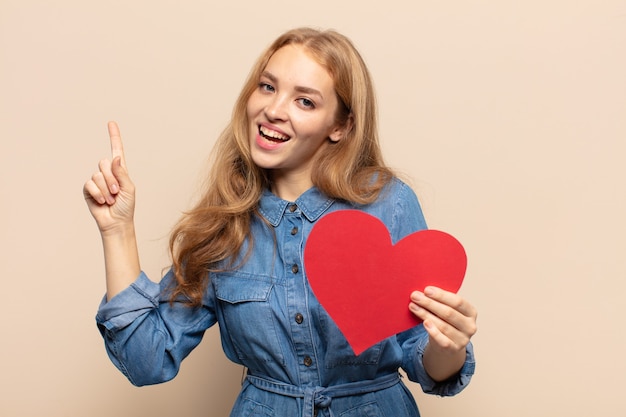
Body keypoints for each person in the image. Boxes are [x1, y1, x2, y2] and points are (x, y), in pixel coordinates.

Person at [84, 27, 477, 417]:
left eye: (304, 101)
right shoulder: (224, 224)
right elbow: (145, 361)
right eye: (268, 87)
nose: (273, 110)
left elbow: (423, 359)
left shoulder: (388, 202)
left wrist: (448, 347)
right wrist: (117, 231)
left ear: (339, 126)